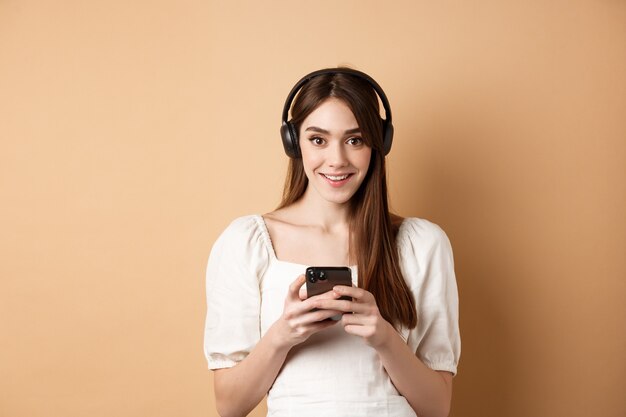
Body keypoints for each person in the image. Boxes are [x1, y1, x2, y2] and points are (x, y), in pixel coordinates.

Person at [203, 68, 460, 417]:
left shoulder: (422, 245)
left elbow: (437, 408)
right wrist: (283, 334)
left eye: (354, 140)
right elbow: (229, 406)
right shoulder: (246, 243)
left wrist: (383, 337)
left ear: (377, 144)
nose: (337, 160)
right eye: (318, 139)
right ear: (294, 144)